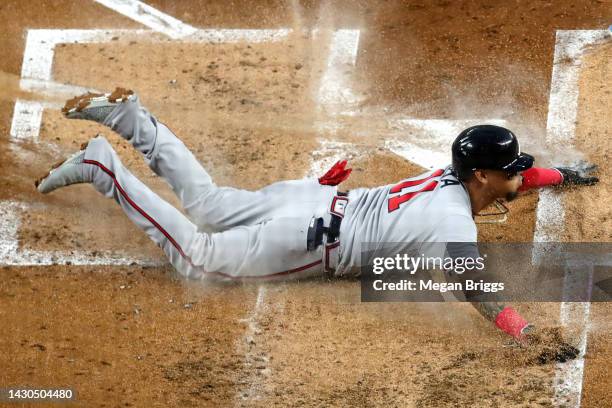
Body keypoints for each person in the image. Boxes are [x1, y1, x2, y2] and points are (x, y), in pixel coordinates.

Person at [35, 88, 598, 346]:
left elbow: (518, 182)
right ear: (482, 177)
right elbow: (480, 293)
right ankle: (105, 169)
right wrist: (525, 335)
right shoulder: (453, 226)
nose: (520, 177)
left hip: (310, 199)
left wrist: (562, 177)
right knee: (197, 259)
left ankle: (135, 121)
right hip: (307, 240)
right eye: (512, 171)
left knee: (208, 203)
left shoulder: (450, 172)